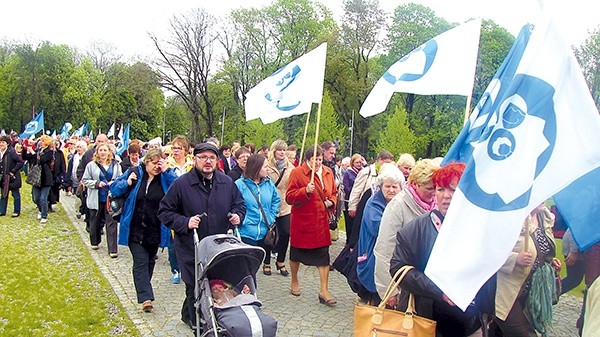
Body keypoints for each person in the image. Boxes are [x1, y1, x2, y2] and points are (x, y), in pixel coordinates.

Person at [158, 142, 245, 332]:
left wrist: (237, 215)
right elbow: (164, 211)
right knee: (195, 287)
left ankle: (188, 314)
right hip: (191, 246)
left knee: (214, 285)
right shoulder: (181, 184)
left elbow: (239, 204)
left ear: (217, 161)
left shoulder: (226, 183)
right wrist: (185, 222)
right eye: (203, 157)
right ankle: (200, 327)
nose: (208, 161)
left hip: (218, 246)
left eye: (212, 158)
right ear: (194, 159)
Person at [389, 162, 483, 337]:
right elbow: (398, 268)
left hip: (470, 324)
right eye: (440, 190)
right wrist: (438, 291)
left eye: (453, 190)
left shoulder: (479, 229)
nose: (446, 196)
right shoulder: (415, 229)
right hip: (426, 321)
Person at [110, 148, 177, 312]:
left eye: (159, 163)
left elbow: (177, 187)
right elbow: (114, 189)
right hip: (135, 226)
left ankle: (143, 288)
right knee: (140, 261)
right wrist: (127, 183)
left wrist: (166, 170)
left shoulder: (165, 177)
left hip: (155, 227)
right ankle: (146, 297)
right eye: (153, 163)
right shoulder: (135, 173)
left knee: (150, 260)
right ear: (146, 162)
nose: (156, 167)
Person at [373, 158, 439, 298]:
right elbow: (384, 250)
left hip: (428, 287)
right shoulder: (397, 206)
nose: (434, 193)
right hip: (404, 286)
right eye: (429, 188)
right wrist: (389, 291)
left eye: (436, 187)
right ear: (415, 184)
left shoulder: (437, 206)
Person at [492, 204, 561, 337]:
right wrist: (515, 259)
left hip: (530, 293)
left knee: (498, 333)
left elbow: (542, 248)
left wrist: (550, 262)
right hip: (508, 294)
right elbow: (490, 252)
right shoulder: (510, 218)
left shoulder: (542, 217)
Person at [285, 145, 337, 306]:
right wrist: (305, 191)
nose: (318, 163)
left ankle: (324, 290)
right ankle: (294, 280)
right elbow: (289, 197)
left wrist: (332, 202)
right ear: (308, 159)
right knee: (296, 255)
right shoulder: (297, 173)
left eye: (320, 160)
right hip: (303, 221)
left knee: (323, 257)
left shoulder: (328, 172)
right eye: (315, 160)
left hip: (321, 223)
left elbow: (334, 192)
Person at [356, 164, 404, 305]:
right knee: (376, 295)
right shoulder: (373, 204)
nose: (391, 190)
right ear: (381, 187)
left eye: (395, 187)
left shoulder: (400, 204)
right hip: (373, 255)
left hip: (393, 256)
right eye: (387, 186)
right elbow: (378, 229)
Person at [235, 154, 281, 275]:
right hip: (246, 232)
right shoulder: (239, 185)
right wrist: (242, 220)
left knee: (254, 266)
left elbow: (276, 200)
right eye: (265, 166)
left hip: (264, 232)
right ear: (256, 168)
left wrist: (271, 217)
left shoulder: (269, 183)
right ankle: (247, 289)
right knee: (246, 268)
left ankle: (249, 288)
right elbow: (233, 205)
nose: (268, 169)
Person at [82, 143, 123, 256]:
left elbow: (120, 178)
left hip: (111, 198)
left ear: (109, 152)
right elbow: (85, 180)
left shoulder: (116, 165)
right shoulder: (91, 165)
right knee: (95, 221)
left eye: (105, 150)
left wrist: (114, 182)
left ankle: (113, 249)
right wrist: (96, 183)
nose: (103, 152)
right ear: (97, 152)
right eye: (101, 150)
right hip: (97, 197)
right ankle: (95, 241)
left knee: (112, 223)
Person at [165, 135, 194, 285]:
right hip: (172, 206)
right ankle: (175, 269)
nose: (175, 151)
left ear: (186, 150)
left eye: (179, 148)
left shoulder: (192, 165)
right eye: (174, 148)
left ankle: (189, 267)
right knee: (172, 241)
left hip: (189, 206)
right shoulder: (167, 165)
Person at [266, 140, 293, 277]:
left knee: (285, 233)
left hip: (285, 204)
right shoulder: (266, 165)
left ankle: (281, 260)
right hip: (269, 204)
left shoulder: (291, 167)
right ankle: (266, 262)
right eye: (279, 150)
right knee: (269, 234)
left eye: (284, 150)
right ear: (274, 151)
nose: (282, 152)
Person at [23, 135, 54, 223]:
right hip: (36, 177)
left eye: (43, 141)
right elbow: (27, 158)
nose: (41, 143)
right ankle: (40, 209)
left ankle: (44, 215)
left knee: (43, 198)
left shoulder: (49, 152)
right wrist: (26, 150)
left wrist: (33, 153)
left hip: (45, 177)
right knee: (36, 198)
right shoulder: (37, 151)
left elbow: (43, 160)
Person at [341, 153, 363, 246]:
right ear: (352, 163)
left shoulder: (362, 172)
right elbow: (347, 187)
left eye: (360, 162)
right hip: (349, 200)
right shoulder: (348, 173)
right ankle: (348, 242)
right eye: (357, 162)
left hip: (359, 201)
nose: (359, 164)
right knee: (349, 223)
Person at [0, 135, 24, 217]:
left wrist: (13, 171)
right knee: (4, 194)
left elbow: (20, 162)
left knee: (15, 194)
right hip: (3, 177)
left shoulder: (11, 152)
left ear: (7, 143)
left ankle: (16, 211)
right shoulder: (0, 152)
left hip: (12, 177)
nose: (1, 144)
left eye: (3, 142)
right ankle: (2, 211)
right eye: (0, 142)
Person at [561, 228, 585, 294]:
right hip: (575, 249)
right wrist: (573, 251)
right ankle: (548, 295)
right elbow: (574, 229)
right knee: (573, 279)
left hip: (581, 249)